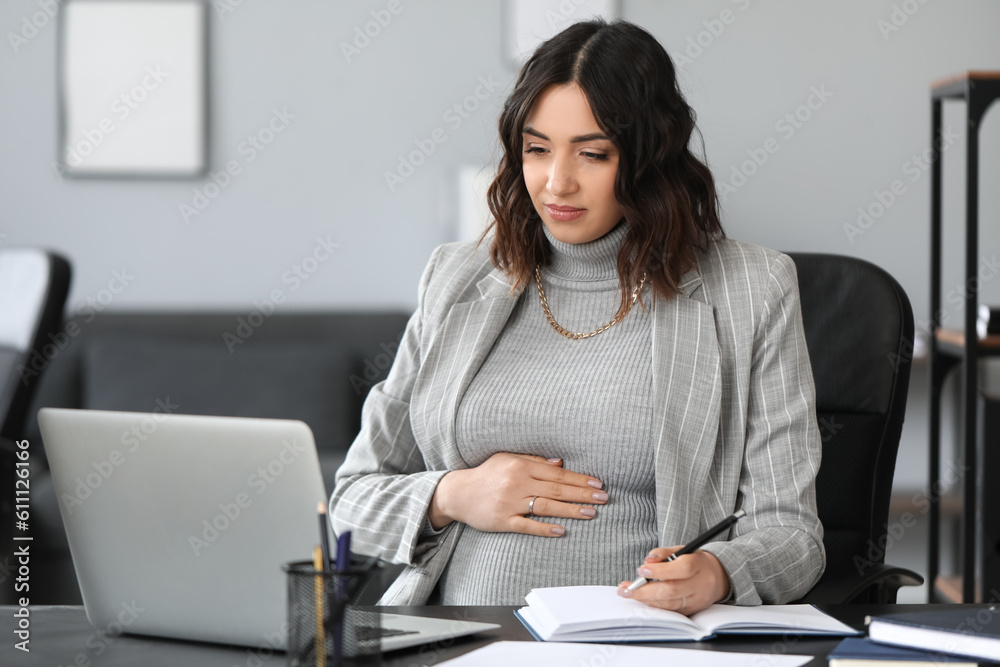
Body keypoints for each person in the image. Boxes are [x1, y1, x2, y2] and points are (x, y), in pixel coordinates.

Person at [330, 17, 825, 613]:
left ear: (649, 158)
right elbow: (353, 500)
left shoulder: (754, 288)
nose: (556, 183)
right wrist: (453, 494)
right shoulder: (456, 278)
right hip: (455, 635)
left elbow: (793, 534)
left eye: (592, 154)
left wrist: (719, 572)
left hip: (641, 640)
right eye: (536, 149)